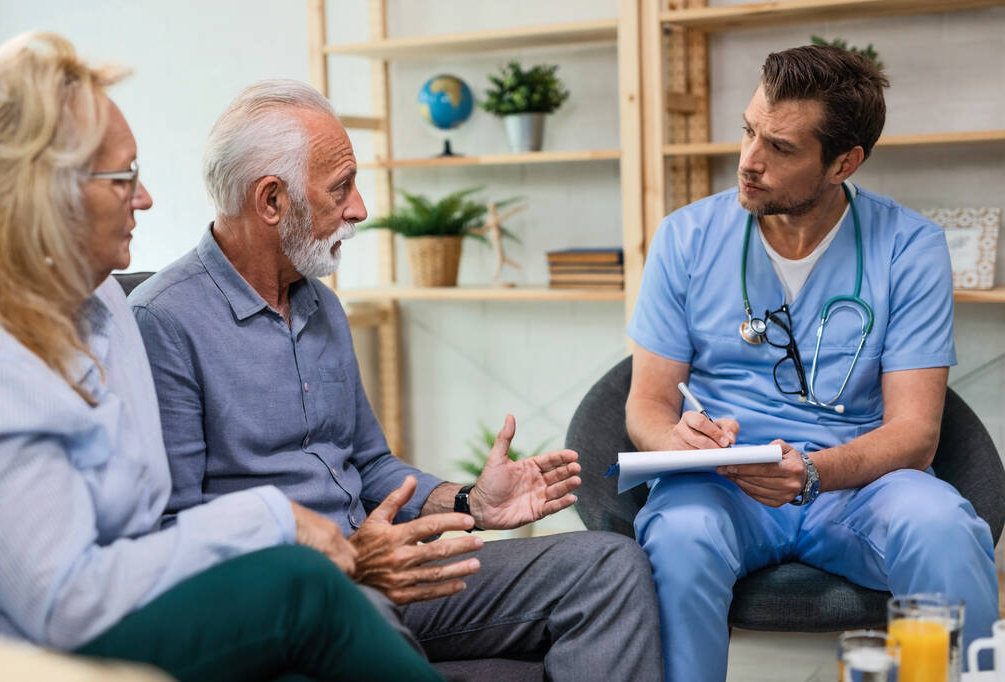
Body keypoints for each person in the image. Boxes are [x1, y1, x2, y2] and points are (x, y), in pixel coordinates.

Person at [129, 79, 664, 681]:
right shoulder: (162, 323)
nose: (359, 208)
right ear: (271, 200)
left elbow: (371, 464)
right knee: (360, 614)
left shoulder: (321, 305)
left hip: (391, 567)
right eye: (341, 188)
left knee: (610, 569)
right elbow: (174, 528)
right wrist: (344, 562)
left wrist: (470, 502)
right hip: (300, 595)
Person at [0, 31, 443, 682]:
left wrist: (468, 500)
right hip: (50, 647)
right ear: (45, 195)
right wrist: (271, 519)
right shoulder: (2, 363)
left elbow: (152, 519)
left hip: (153, 595)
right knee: (302, 587)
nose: (144, 199)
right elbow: (66, 603)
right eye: (125, 177)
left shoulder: (104, 303)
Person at [625, 44, 998, 681]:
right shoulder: (684, 238)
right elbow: (646, 407)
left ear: (843, 162)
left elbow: (915, 433)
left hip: (859, 487)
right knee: (680, 540)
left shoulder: (908, 247)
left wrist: (815, 473)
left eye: (781, 147)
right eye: (748, 131)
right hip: (724, 486)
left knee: (942, 528)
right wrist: (680, 442)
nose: (748, 162)